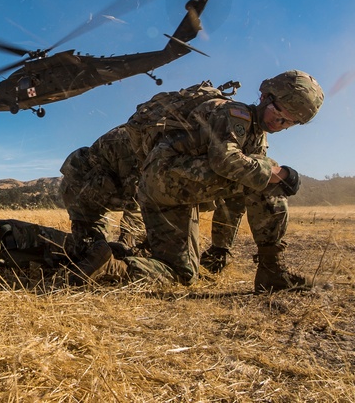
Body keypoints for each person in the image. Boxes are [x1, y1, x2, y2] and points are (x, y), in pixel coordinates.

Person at [90, 70, 324, 293]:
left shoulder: (254, 136)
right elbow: (226, 162)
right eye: (278, 113)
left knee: (182, 273)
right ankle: (273, 271)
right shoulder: (235, 114)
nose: (281, 124)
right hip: (170, 180)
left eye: (290, 122)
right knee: (267, 175)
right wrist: (280, 174)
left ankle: (109, 266)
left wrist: (221, 250)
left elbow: (232, 203)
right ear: (264, 96)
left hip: (160, 189)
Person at [58, 125, 145, 261]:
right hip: (78, 189)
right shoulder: (131, 144)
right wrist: (130, 247)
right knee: (91, 251)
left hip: (103, 189)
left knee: (108, 250)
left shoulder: (147, 138)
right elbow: (134, 204)